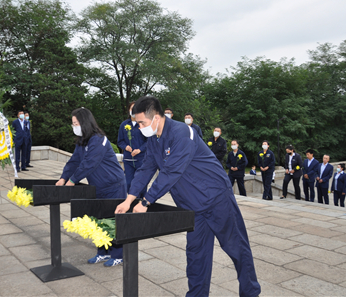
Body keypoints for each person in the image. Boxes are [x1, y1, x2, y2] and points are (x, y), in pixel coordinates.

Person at [115, 96, 261, 297]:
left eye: (142, 123)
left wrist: (146, 201)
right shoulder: (154, 140)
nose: (139, 127)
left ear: (157, 117)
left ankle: (251, 292)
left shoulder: (181, 133)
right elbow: (145, 169)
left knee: (236, 248)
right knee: (196, 255)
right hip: (193, 206)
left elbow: (171, 172)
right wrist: (129, 199)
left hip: (216, 198)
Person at [56, 107, 127, 267]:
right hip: (98, 186)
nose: (74, 126)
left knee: (113, 220)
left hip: (114, 185)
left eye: (76, 123)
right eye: (72, 123)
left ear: (84, 122)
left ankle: (118, 254)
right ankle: (102, 252)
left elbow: (90, 163)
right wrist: (63, 178)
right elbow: (74, 161)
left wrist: (73, 180)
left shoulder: (99, 139)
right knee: (98, 219)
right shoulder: (82, 142)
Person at [117, 101, 147, 197]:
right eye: (131, 109)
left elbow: (149, 141)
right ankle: (132, 200)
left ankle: (142, 201)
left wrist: (140, 149)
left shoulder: (144, 124)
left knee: (141, 182)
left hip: (141, 159)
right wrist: (125, 147)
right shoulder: (124, 124)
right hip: (128, 159)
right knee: (128, 182)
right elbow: (120, 141)